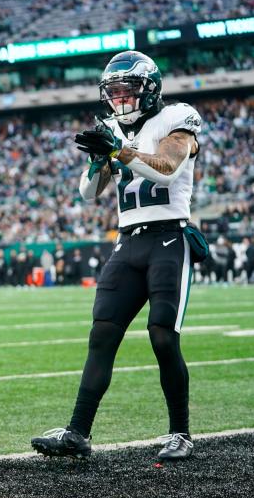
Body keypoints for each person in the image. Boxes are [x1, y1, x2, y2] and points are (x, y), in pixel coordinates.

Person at [31, 50, 203, 461]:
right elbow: (89, 194)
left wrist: (120, 152)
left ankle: (181, 432)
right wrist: (100, 159)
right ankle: (78, 433)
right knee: (102, 334)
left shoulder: (178, 118)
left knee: (162, 334)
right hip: (128, 241)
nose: (121, 100)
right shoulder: (110, 128)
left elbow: (166, 168)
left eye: (128, 92)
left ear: (149, 90)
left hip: (168, 236)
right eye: (115, 93)